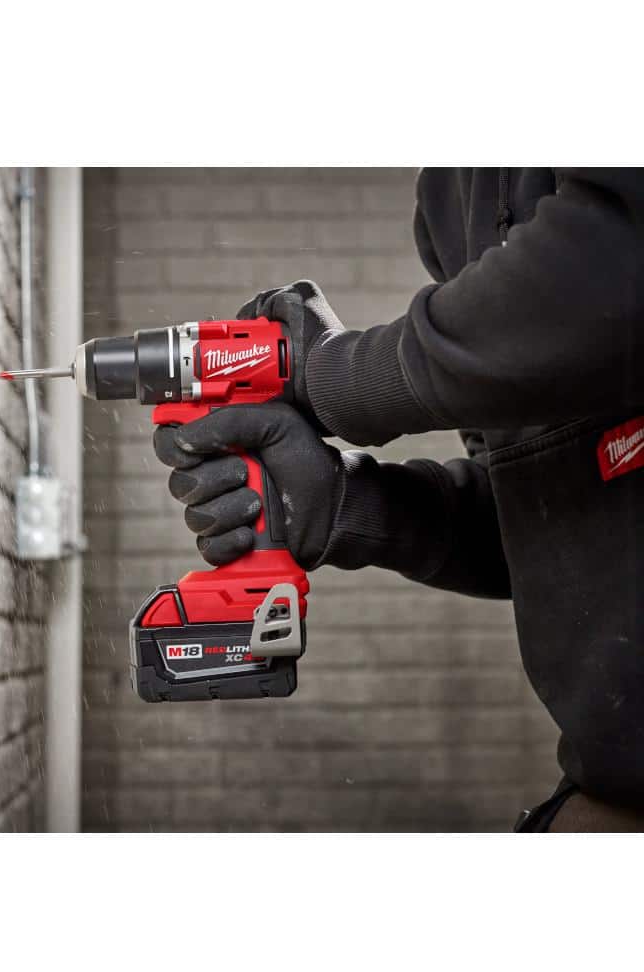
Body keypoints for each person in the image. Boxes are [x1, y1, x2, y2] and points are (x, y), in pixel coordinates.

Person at [153, 168, 644, 832]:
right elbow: (537, 522)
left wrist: (334, 374)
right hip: (616, 784)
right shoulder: (446, 196)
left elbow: (613, 259)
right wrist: (351, 503)